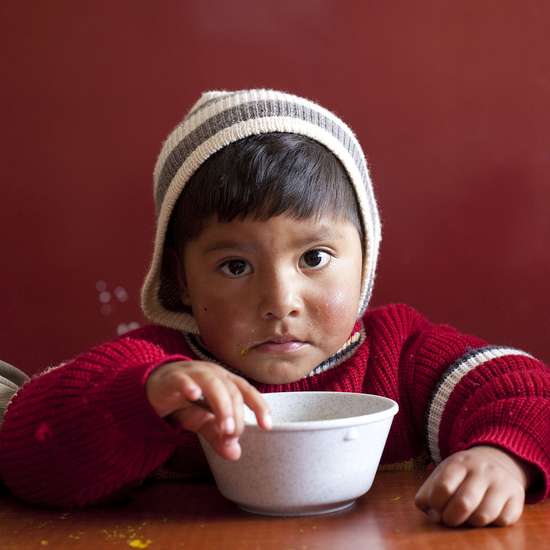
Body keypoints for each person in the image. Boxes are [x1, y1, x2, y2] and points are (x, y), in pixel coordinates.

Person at [0, 89, 548, 527]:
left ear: (366, 261)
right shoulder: (155, 373)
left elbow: (526, 391)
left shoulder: (403, 355)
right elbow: (27, 452)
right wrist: (141, 401)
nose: (280, 302)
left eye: (314, 257)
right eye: (235, 266)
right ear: (180, 280)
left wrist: (504, 459)